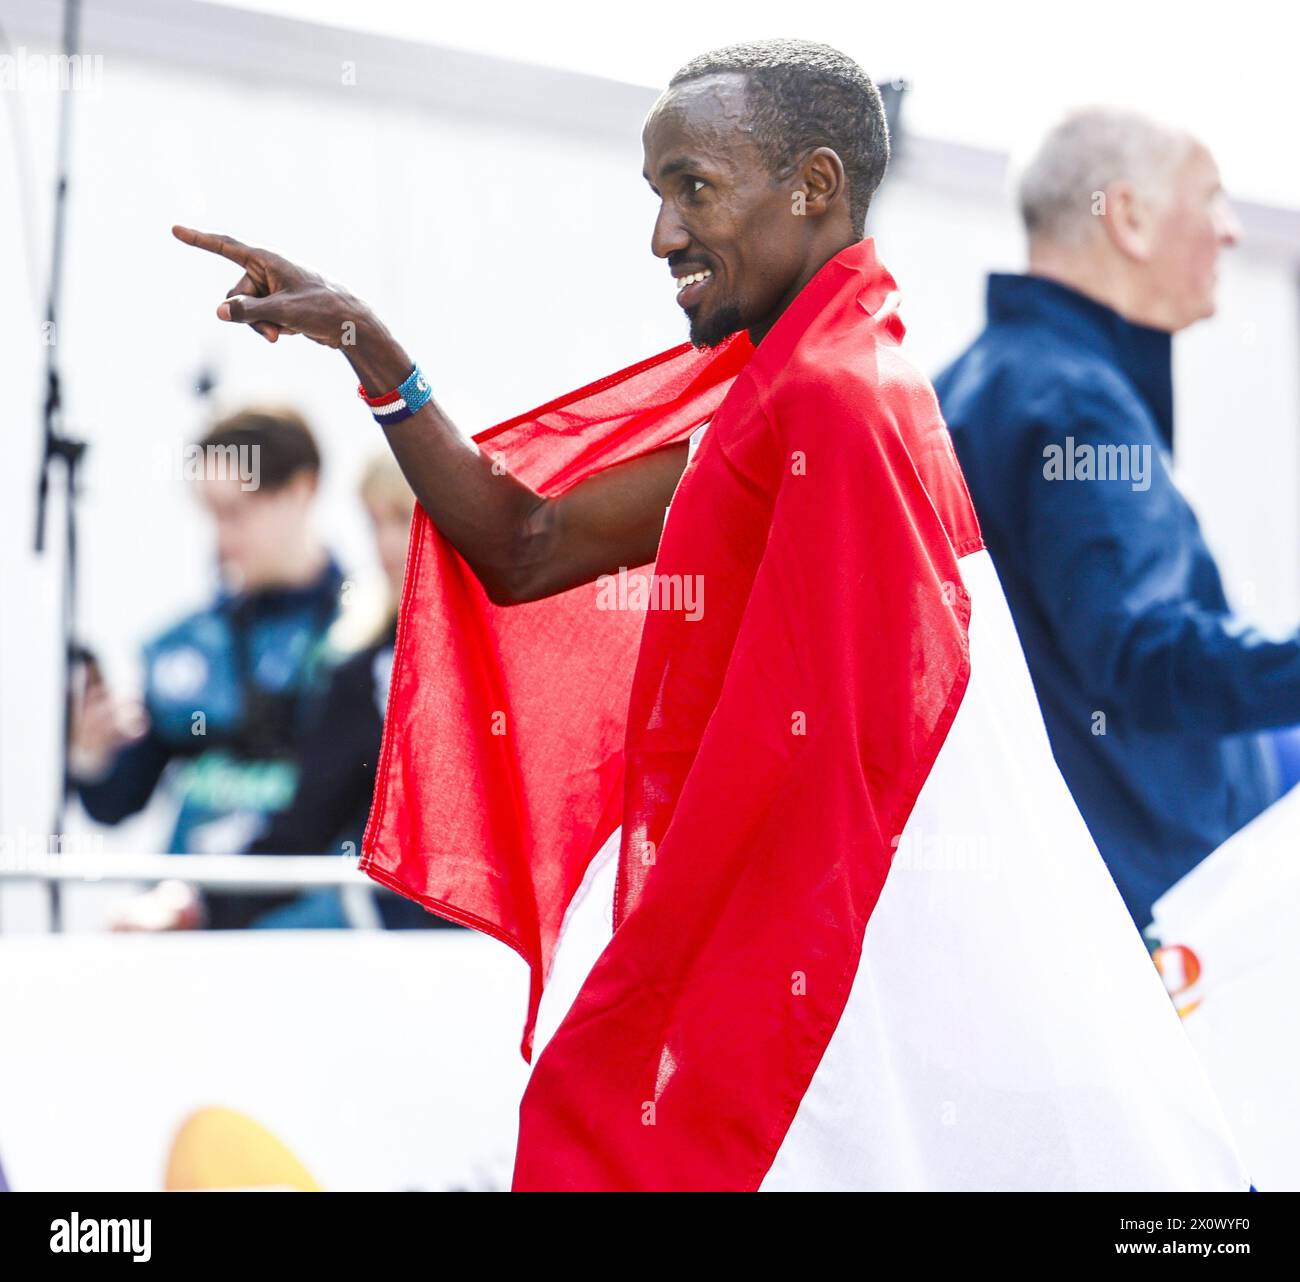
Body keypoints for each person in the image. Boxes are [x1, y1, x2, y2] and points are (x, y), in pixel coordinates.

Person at [173, 41, 1248, 1191]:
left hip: (804, 987)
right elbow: (526, 545)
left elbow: (866, 758)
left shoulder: (833, 402)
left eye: (693, 189)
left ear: (814, 186)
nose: (663, 236)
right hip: (795, 975)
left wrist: (687, 987)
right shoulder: (807, 387)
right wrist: (368, 349)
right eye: (658, 195)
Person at [934, 108, 1300, 931]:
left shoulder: (967, 386)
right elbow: (1141, 658)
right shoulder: (1076, 403)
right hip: (1155, 891)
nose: (1231, 233)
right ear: (1128, 219)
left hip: (1070, 880)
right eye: (1212, 200)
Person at [70, 407, 343, 929]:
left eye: (236, 512)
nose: (220, 537)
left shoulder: (369, 639)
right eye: (209, 513)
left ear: (302, 490)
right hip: (182, 935)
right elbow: (116, 803)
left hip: (320, 941)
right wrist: (91, 757)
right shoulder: (182, 645)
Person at [212, 452, 449, 930]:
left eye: (403, 519)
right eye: (372, 523)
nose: (384, 544)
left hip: (531, 964)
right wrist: (197, 904)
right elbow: (303, 830)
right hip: (412, 965)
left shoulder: (534, 662)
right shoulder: (362, 674)